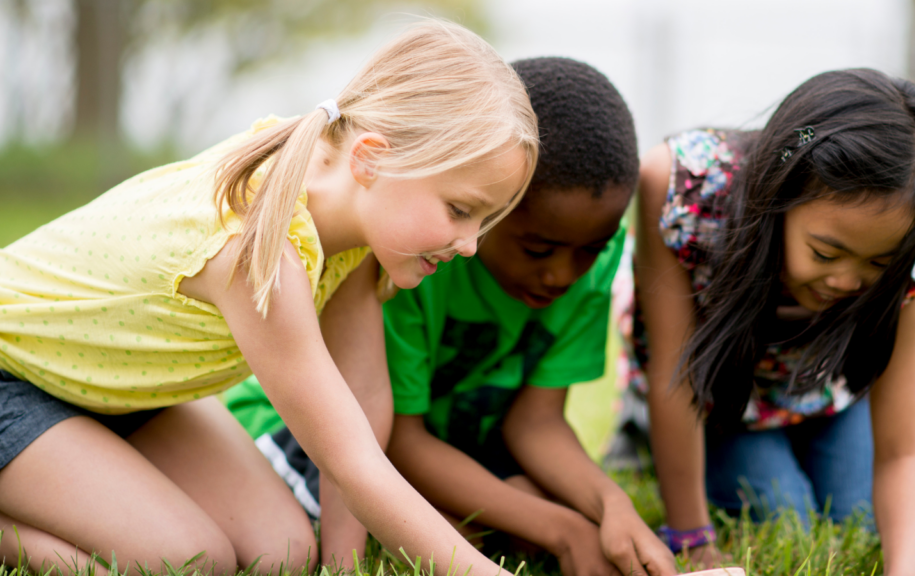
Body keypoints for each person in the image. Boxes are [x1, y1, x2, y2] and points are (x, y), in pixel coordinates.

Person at [0, 20, 538, 576]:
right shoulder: (260, 248)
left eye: (484, 220)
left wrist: (344, 567)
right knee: (191, 561)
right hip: (12, 379)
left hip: (116, 389)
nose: (471, 245)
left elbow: (360, 398)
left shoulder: (349, 214)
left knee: (280, 554)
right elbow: (349, 462)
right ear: (371, 159)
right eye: (459, 209)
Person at [226, 57, 679, 576]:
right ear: (494, 207)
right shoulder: (418, 259)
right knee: (475, 532)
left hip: (452, 444)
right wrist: (561, 528)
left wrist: (610, 506)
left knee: (553, 510)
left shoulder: (589, 261)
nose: (562, 275)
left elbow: (536, 422)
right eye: (537, 249)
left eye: (591, 251)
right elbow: (392, 437)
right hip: (329, 438)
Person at [616, 69, 915, 574]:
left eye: (876, 263)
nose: (847, 281)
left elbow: (901, 453)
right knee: (783, 517)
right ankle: (635, 436)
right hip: (718, 399)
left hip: (823, 396)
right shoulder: (683, 189)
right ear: (780, 194)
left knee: (857, 520)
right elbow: (674, 376)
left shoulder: (906, 258)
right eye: (826, 251)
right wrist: (693, 536)